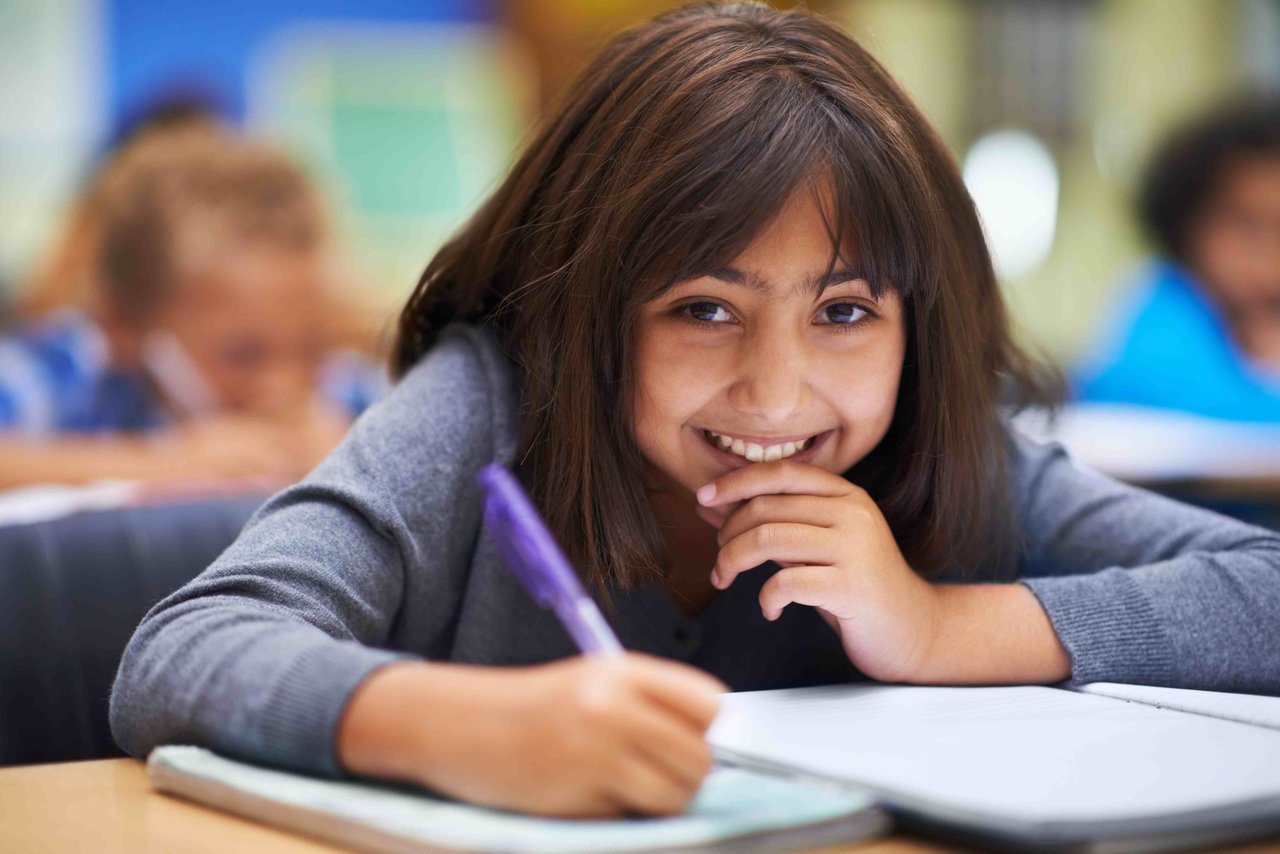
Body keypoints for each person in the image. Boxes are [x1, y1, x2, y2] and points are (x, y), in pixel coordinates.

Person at [112, 1, 1280, 821]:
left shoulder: (937, 442)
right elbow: (185, 650)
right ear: (583, 307)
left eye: (843, 312)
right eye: (703, 310)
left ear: (919, 320)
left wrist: (935, 626)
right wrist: (457, 726)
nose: (776, 394)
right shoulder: (487, 406)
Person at [0, 126, 386, 488]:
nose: (285, 387)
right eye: (243, 356)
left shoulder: (344, 388)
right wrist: (163, 465)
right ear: (120, 325)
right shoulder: (65, 370)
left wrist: (352, 461)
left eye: (314, 347)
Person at [1075, 98, 1280, 420]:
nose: (1270, 254)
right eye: (1248, 226)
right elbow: (1165, 396)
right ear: (1188, 224)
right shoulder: (1166, 300)